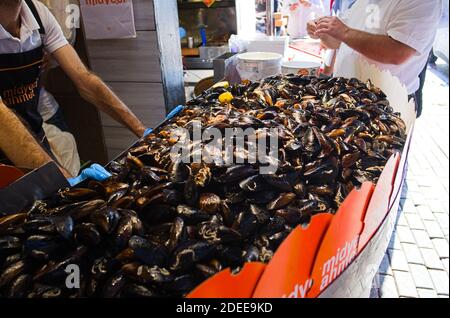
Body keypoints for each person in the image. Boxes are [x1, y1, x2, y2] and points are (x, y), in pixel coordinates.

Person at [0, 0, 148, 183]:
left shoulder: (37, 12)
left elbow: (84, 79)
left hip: (35, 140)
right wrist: (64, 180)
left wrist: (143, 132)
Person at [307, 0, 443, 117]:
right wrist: (321, 32)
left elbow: (397, 52)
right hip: (347, 95)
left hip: (387, 103)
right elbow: (337, 41)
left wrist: (344, 32)